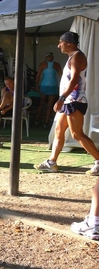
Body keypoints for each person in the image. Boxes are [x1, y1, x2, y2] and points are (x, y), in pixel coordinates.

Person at [34, 31, 99, 176]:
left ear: (69, 43)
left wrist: (61, 98)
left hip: (74, 101)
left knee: (77, 134)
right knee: (59, 130)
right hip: (69, 101)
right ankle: (52, 162)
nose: (58, 46)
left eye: (60, 42)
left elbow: (74, 80)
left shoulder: (77, 57)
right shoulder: (73, 57)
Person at [35, 52, 62, 128]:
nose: (49, 58)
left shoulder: (44, 64)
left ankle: (41, 121)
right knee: (45, 104)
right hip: (51, 86)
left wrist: (37, 85)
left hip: (46, 86)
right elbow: (61, 76)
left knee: (45, 104)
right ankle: (42, 122)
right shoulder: (55, 64)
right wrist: (37, 85)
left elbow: (38, 76)